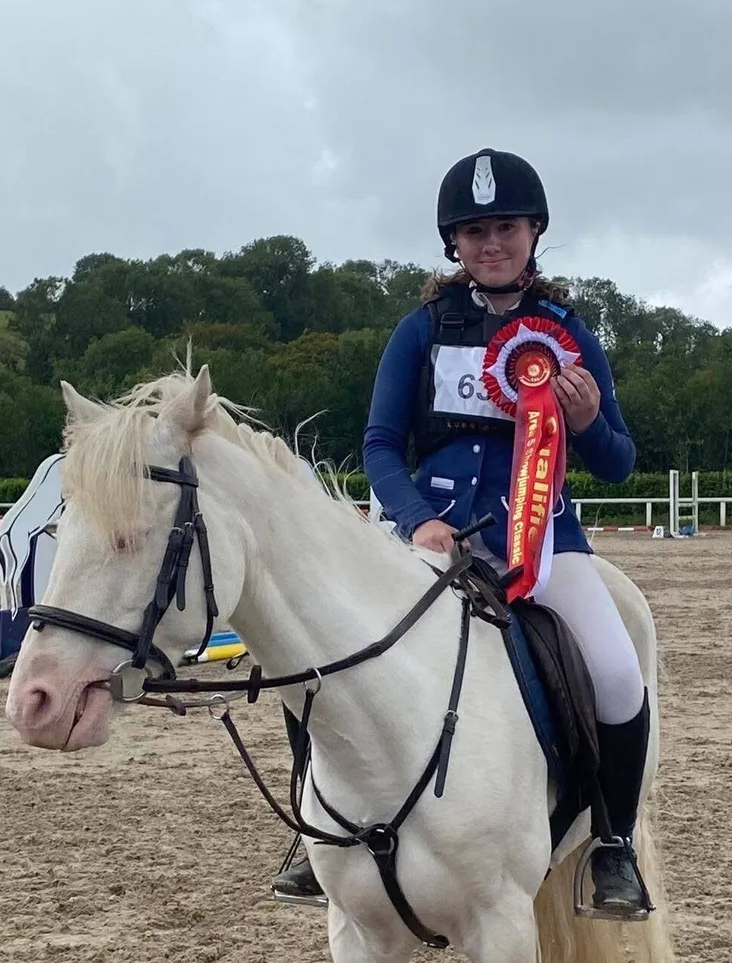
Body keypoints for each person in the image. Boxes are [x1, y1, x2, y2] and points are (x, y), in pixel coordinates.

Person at [271, 148, 650, 918]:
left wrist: (584, 422)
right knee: (311, 648)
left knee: (616, 675)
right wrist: (419, 519)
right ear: (454, 243)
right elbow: (381, 442)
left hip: (541, 543)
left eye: (505, 226)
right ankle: (314, 834)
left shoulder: (568, 332)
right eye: (474, 231)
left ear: (534, 232)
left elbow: (618, 461)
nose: (491, 243)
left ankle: (613, 845)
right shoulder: (421, 331)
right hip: (437, 537)